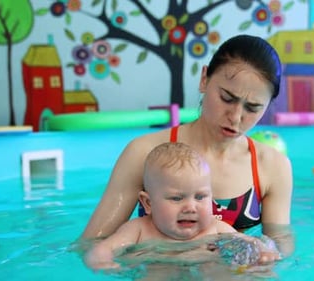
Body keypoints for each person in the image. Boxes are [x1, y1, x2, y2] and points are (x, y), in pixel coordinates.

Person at [81, 34, 294, 257]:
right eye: (227, 98)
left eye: (252, 108)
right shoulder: (144, 153)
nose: (236, 116)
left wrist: (264, 257)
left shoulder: (272, 167)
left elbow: (280, 248)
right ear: (204, 79)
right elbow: (93, 243)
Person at [84, 142, 279, 270]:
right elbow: (106, 248)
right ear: (148, 203)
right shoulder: (139, 229)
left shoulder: (215, 228)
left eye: (200, 197)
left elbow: (248, 242)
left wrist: (263, 252)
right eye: (177, 199)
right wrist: (102, 259)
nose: (190, 207)